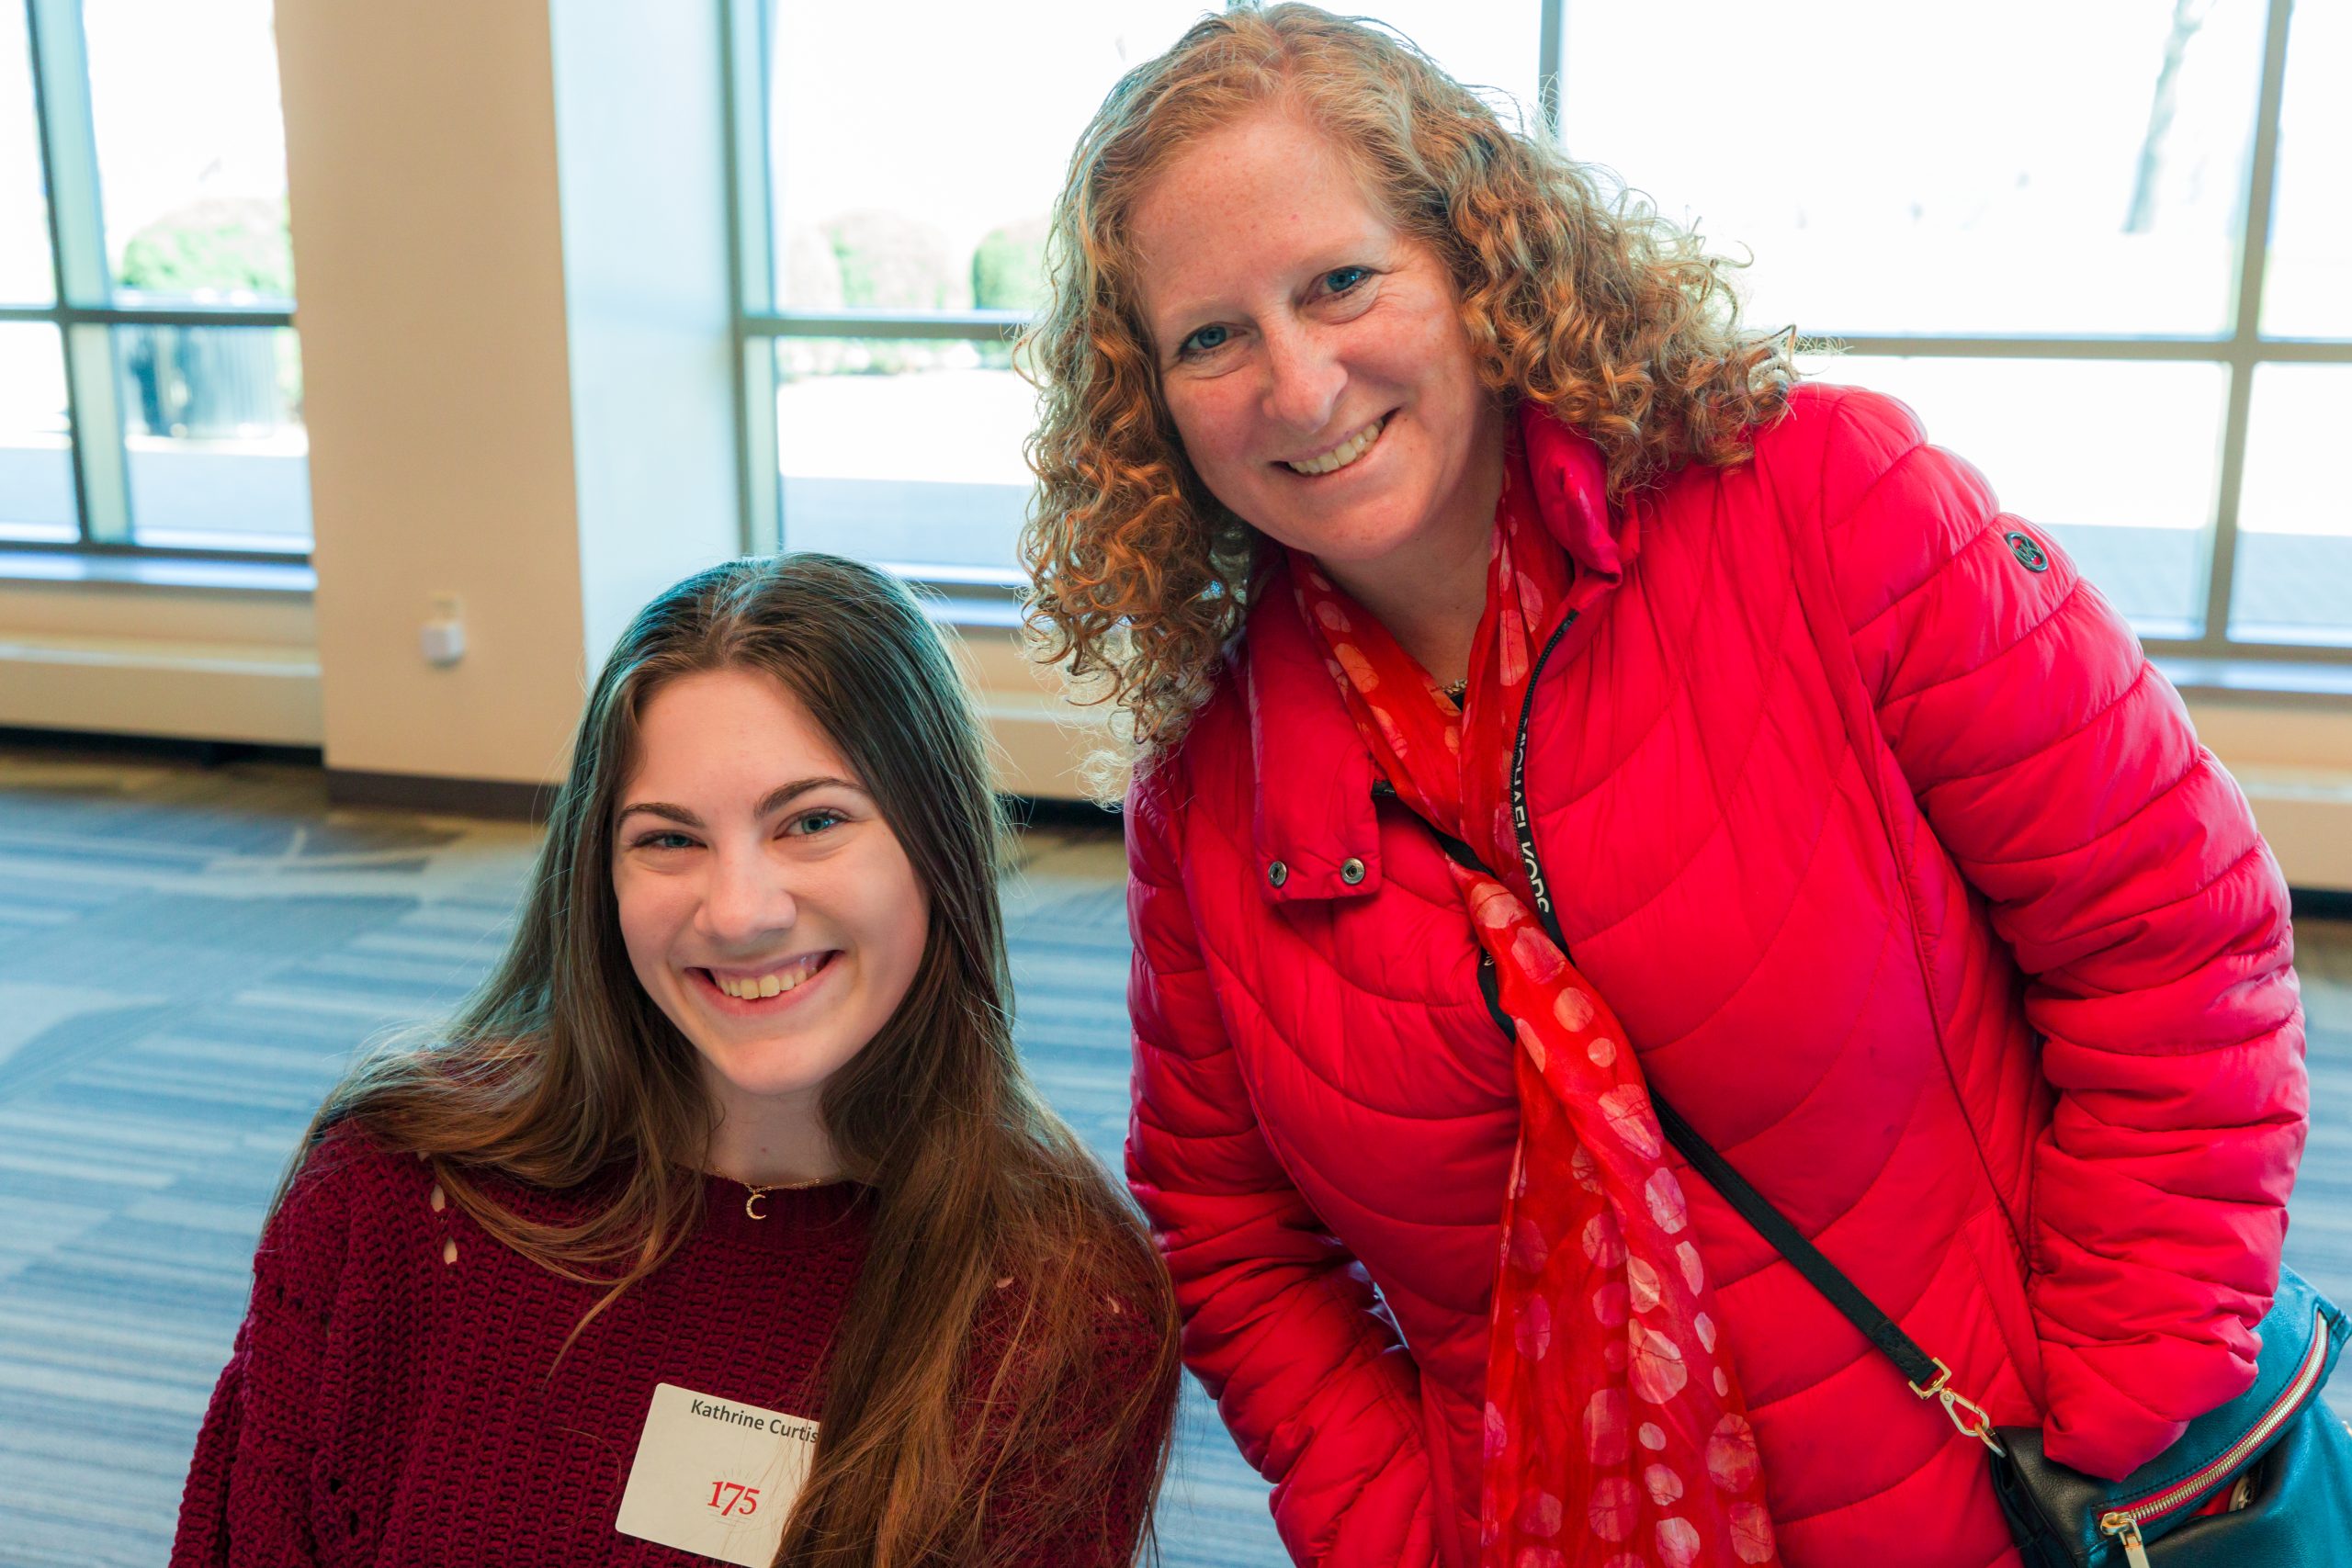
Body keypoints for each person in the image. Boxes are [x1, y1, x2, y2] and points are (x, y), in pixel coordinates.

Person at [1019, 7, 2307, 1567]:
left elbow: (2168, 943)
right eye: (1209, 336)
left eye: (1340, 281)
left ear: (1477, 260)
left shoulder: (1827, 509)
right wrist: (1407, 1534)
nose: (1297, 384)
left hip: (2014, 1497)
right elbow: (1232, 1248)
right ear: (1148, 405)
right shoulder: (1209, 806)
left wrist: (2122, 1406)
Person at [171, 554, 1180, 1568]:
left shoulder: (1058, 1304)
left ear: (937, 845)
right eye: (668, 840)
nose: (739, 912)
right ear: (598, 873)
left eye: (813, 822)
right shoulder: (399, 1196)